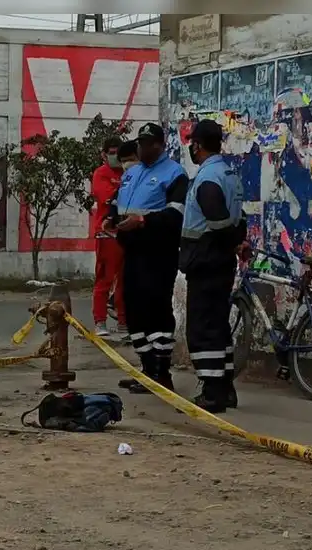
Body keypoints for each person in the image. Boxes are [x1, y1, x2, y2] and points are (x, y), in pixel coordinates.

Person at [107, 123, 188, 393]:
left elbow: (176, 214)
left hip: (158, 252)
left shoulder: (175, 174)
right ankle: (146, 368)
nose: (140, 148)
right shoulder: (133, 174)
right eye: (139, 143)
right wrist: (111, 217)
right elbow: (118, 202)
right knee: (133, 309)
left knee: (157, 311)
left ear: (159, 145)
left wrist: (143, 221)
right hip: (131, 250)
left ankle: (161, 373)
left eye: (146, 143)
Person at [180, 119, 247, 412]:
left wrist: (231, 241)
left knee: (202, 329)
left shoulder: (208, 178)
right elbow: (238, 218)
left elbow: (218, 221)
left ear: (197, 145)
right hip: (220, 261)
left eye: (192, 144)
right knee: (218, 326)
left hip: (206, 260)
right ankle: (225, 388)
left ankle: (212, 392)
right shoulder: (229, 173)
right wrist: (237, 242)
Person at [90, 138, 127, 337]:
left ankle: (123, 322)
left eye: (118, 152)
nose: (115, 156)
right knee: (104, 279)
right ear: (104, 154)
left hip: (125, 233)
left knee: (124, 280)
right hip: (106, 234)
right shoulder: (101, 174)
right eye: (111, 152)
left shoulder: (128, 173)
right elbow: (108, 197)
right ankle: (100, 321)